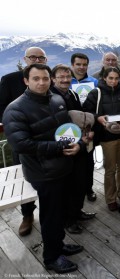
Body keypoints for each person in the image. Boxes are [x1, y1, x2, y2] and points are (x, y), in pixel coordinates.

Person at [3, 64, 83, 273]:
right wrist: (59, 147)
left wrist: (77, 145)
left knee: (59, 212)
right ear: (26, 81)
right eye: (36, 78)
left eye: (45, 78)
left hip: (63, 166)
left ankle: (58, 245)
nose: (41, 83)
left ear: (51, 79)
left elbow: (67, 130)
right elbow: (21, 145)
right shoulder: (15, 109)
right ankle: (52, 258)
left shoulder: (56, 99)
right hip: (43, 172)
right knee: (50, 216)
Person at [0, 46, 47, 237]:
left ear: (45, 60)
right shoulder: (10, 80)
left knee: (51, 179)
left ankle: (51, 214)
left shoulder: (47, 78)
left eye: (40, 57)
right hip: (23, 142)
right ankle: (28, 215)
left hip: (46, 141)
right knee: (25, 180)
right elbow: (1, 107)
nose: (36, 60)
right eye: (32, 57)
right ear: (25, 59)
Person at [50, 64, 96, 234]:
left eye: (67, 77)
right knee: (67, 187)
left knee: (80, 183)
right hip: (64, 148)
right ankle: (69, 221)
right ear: (53, 79)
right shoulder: (50, 97)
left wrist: (87, 133)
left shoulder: (73, 94)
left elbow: (81, 116)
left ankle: (77, 212)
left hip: (80, 145)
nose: (65, 80)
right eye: (61, 77)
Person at [83, 67, 120, 212]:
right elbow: (87, 112)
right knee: (110, 169)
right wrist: (98, 118)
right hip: (107, 137)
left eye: (116, 78)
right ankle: (111, 198)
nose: (113, 81)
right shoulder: (95, 93)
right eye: (110, 78)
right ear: (104, 78)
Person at [70, 52, 98, 203]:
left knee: (88, 161)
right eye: (78, 64)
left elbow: (98, 105)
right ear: (72, 65)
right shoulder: (66, 81)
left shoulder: (94, 81)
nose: (81, 67)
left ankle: (89, 189)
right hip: (70, 130)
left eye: (84, 64)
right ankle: (75, 192)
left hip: (88, 128)